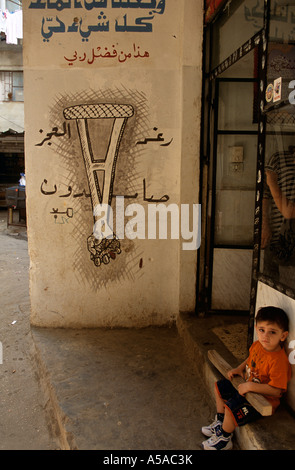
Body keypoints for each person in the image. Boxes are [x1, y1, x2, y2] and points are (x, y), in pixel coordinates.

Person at [201, 306, 291, 450]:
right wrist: (239, 368)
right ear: (256, 328)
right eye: (262, 330)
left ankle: (224, 438)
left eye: (272, 332)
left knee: (231, 407)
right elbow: (251, 358)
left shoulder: (278, 360)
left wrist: (250, 386)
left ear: (283, 336)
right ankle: (220, 421)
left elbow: (277, 391)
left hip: (263, 400)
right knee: (220, 387)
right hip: (248, 388)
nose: (265, 336)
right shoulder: (258, 345)